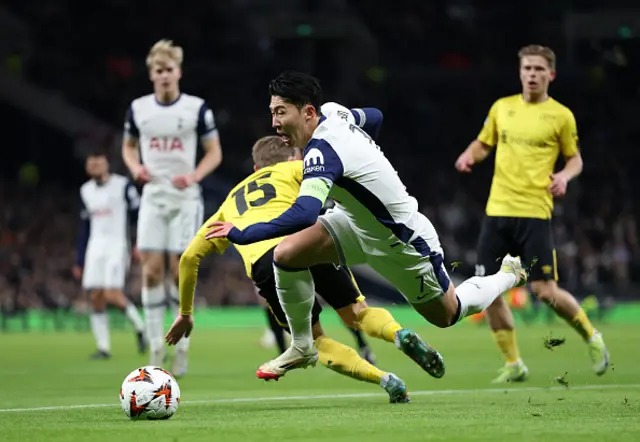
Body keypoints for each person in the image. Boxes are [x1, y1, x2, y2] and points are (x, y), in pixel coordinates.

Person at [204, 71, 527, 380]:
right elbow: (374, 116)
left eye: (281, 112)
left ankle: (507, 275)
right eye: (272, 112)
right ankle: (303, 345)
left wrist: (242, 234)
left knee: (448, 313)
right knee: (286, 255)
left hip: (400, 241)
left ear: (308, 112)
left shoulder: (322, 152)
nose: (274, 123)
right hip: (354, 222)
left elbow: (304, 214)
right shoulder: (334, 113)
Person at [166, 135, 438, 402]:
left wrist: (186, 313)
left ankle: (385, 380)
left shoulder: (229, 202)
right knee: (358, 313)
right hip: (308, 243)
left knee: (316, 340)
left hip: (266, 262)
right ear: (292, 157)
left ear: (256, 168)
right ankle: (398, 334)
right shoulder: (297, 168)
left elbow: (189, 258)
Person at [455, 44, 609, 383]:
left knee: (543, 291)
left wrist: (564, 177)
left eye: (539, 69)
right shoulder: (502, 108)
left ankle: (591, 336)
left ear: (550, 74)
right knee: (488, 290)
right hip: (497, 211)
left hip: (534, 213)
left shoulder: (561, 116)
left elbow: (575, 159)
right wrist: (469, 155)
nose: (532, 75)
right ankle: (514, 364)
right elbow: (484, 143)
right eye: (527, 69)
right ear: (520, 72)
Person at [121, 39, 223, 376]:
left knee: (181, 270)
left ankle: (182, 343)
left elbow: (214, 152)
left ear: (178, 72)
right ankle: (154, 345)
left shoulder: (196, 108)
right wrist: (136, 169)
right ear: (151, 75)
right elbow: (128, 148)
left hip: (185, 198)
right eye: (158, 71)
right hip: (153, 196)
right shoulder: (138, 109)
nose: (164, 76)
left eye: (168, 70)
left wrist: (195, 174)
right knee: (150, 270)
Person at [74, 150, 146, 359]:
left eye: (98, 162)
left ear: (106, 164)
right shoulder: (85, 191)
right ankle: (104, 348)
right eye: (91, 163)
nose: (95, 166)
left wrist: (138, 241)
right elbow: (84, 226)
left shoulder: (122, 186)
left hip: (117, 245)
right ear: (87, 167)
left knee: (111, 293)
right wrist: (80, 259)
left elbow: (138, 214)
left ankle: (140, 329)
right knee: (95, 296)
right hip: (95, 247)